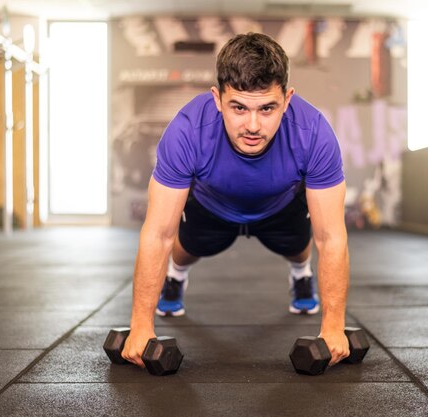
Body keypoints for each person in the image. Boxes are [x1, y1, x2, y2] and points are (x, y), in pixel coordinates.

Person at [122, 32, 350, 367]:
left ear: (287, 99)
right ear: (217, 98)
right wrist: (140, 327)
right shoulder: (187, 131)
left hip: (279, 206)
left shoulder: (313, 132)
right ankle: (176, 277)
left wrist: (334, 329)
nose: (253, 125)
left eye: (267, 108)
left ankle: (301, 275)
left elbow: (330, 237)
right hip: (213, 207)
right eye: (239, 107)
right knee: (184, 250)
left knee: (299, 244)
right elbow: (158, 233)